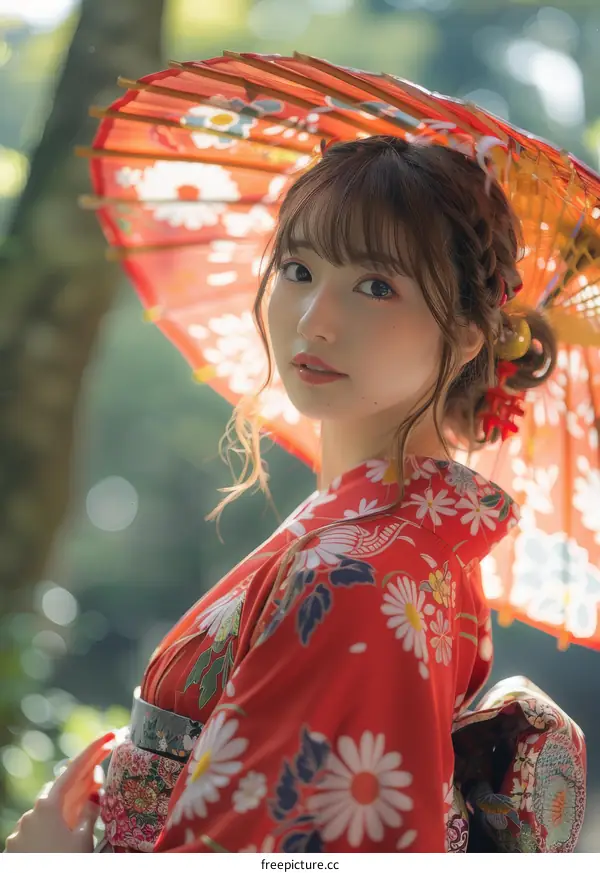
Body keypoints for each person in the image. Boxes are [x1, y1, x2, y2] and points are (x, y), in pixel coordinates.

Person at [5, 136, 586, 854]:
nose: (315, 318)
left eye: (377, 285)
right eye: (298, 267)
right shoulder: (390, 546)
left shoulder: (359, 578)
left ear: (466, 334)